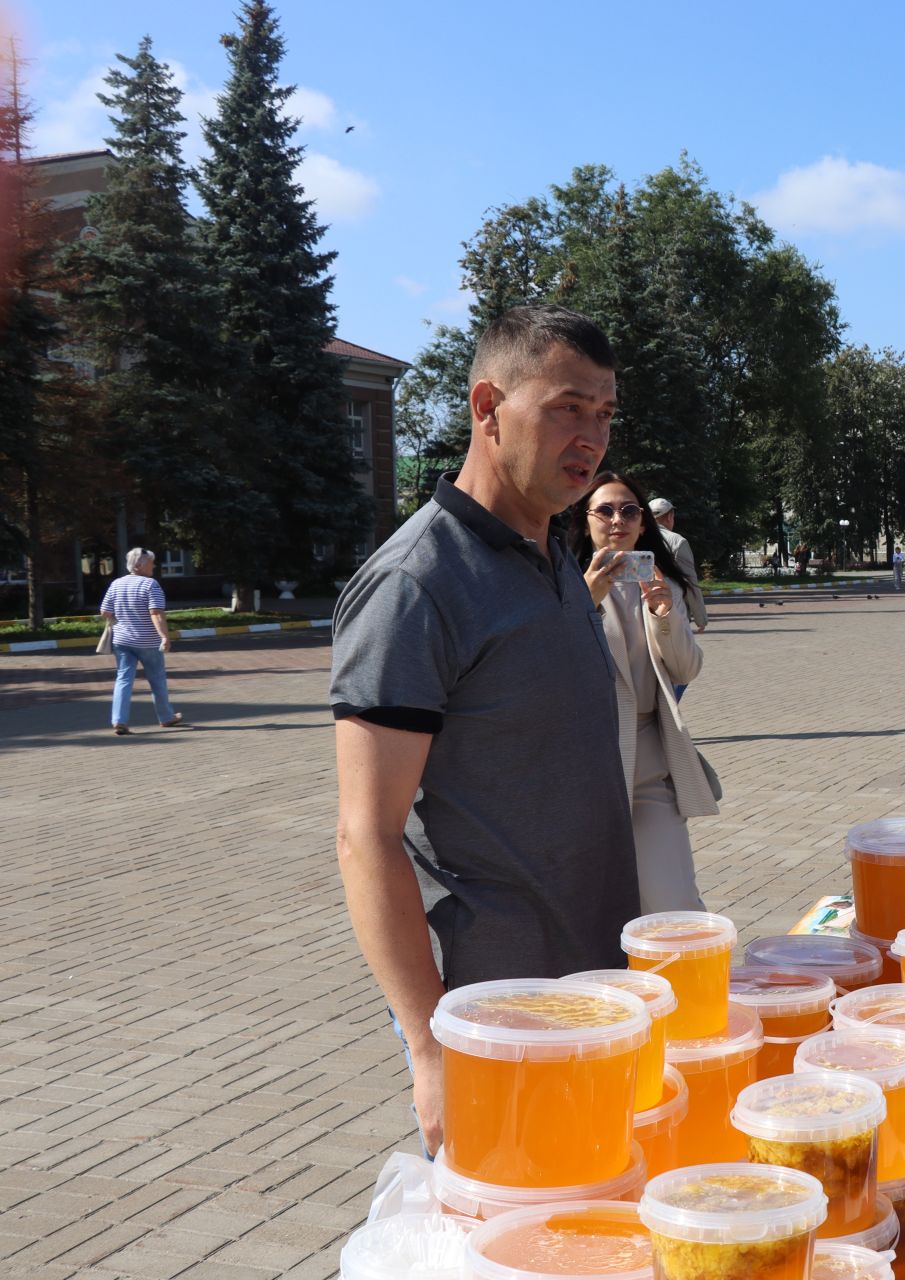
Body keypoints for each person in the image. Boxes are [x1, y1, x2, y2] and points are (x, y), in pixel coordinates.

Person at [329, 304, 637, 1156]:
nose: (591, 437)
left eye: (605, 415)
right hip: (493, 1009)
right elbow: (366, 836)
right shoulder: (415, 585)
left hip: (595, 979)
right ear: (487, 406)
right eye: (567, 406)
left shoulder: (557, 564)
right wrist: (431, 1047)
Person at [572, 473, 715, 912]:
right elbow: (552, 666)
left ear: (642, 523)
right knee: (590, 906)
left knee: (672, 903)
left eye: (630, 510)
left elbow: (686, 668)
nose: (619, 519)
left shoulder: (658, 583)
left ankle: (687, 977)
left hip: (651, 761)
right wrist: (586, 602)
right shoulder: (560, 585)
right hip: (587, 765)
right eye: (606, 510)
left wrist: (664, 613)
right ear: (585, 521)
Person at [98, 547, 184, 735]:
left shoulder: (116, 584)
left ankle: (119, 720)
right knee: (157, 679)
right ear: (139, 565)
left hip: (121, 641)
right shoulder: (150, 585)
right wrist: (164, 636)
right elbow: (156, 613)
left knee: (123, 679)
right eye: (151, 562)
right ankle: (166, 717)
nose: (154, 565)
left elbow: (105, 611)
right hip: (148, 642)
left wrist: (121, 621)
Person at [647, 498, 707, 633]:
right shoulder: (677, 541)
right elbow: (690, 581)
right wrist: (700, 618)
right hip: (672, 610)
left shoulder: (637, 537)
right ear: (670, 516)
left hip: (642, 610)